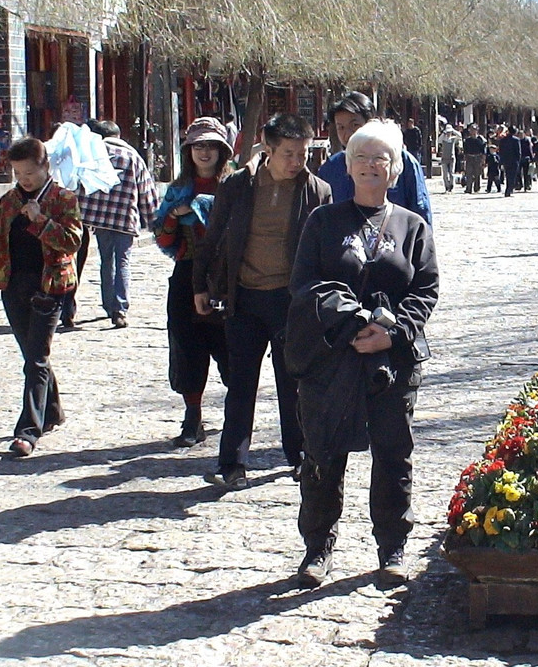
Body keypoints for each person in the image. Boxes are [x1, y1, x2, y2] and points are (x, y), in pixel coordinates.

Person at [290, 119, 438, 590]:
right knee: (323, 454)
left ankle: (392, 546)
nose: (371, 166)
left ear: (395, 169)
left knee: (394, 455)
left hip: (392, 363)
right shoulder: (323, 222)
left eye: (381, 159)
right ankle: (318, 549)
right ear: (346, 166)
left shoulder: (412, 226)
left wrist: (391, 333)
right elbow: (305, 284)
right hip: (332, 357)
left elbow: (426, 289)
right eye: (362, 158)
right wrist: (352, 319)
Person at [194, 112, 332, 489]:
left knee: (293, 383)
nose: (296, 162)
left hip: (291, 301)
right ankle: (233, 463)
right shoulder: (238, 186)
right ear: (268, 150)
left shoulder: (317, 191)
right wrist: (201, 286)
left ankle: (300, 455)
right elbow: (213, 236)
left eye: (303, 153)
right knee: (241, 383)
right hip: (245, 298)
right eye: (288, 153)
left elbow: (326, 250)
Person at [0, 137, 83, 457]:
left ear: (45, 167)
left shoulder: (63, 199)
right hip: (13, 287)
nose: (24, 179)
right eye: (18, 173)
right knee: (33, 355)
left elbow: (73, 241)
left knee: (36, 358)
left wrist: (42, 221)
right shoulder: (8, 202)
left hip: (49, 287)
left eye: (29, 172)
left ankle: (28, 431)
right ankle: (53, 410)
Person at [153, 117, 232, 447]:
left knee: (231, 349)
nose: (204, 152)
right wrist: (175, 215)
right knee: (188, 347)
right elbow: (163, 237)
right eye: (198, 145)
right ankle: (193, 417)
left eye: (211, 145)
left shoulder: (236, 186)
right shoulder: (177, 190)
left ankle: (237, 417)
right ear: (189, 151)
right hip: (187, 274)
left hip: (228, 277)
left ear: (222, 151)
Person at [76, 121, 159, 328]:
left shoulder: (92, 154)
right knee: (123, 260)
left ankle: (108, 304)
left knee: (106, 260)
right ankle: (119, 308)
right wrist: (153, 221)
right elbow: (146, 189)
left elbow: (81, 184)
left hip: (100, 219)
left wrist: (81, 213)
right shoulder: (133, 157)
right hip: (124, 218)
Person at [318, 92, 432, 225]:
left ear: (370, 122)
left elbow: (421, 213)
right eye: (341, 127)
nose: (348, 133)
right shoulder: (331, 167)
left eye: (354, 125)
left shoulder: (403, 162)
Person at [435, 122, 461, 193]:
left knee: (451, 173)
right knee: (445, 174)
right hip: (444, 158)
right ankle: (446, 186)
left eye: (449, 132)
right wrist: (443, 133)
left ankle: (451, 186)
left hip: (452, 157)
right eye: (448, 132)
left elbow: (459, 136)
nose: (448, 133)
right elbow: (438, 140)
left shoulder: (453, 139)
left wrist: (453, 131)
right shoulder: (443, 139)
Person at [462, 125, 486, 193]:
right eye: (471, 129)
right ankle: (468, 188)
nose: (473, 131)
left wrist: (483, 160)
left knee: (477, 174)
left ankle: (476, 187)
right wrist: (464, 159)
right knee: (469, 173)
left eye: (474, 129)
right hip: (469, 158)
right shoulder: (467, 140)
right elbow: (465, 151)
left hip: (478, 158)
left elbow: (483, 150)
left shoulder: (480, 139)